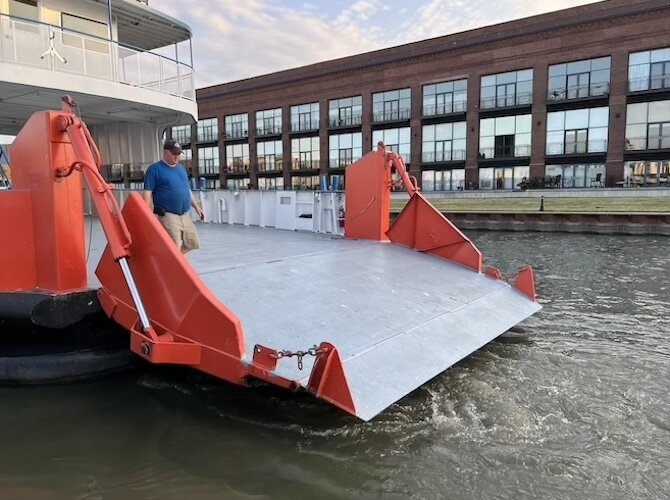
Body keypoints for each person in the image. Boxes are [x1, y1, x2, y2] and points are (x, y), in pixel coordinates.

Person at [143, 139, 205, 253]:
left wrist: (197, 207)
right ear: (166, 153)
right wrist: (148, 217)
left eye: (179, 154)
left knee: (193, 242)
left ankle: (172, 260)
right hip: (168, 214)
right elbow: (147, 194)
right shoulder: (154, 169)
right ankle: (174, 265)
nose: (177, 157)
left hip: (184, 214)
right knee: (175, 244)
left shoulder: (181, 169)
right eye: (174, 154)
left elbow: (187, 190)